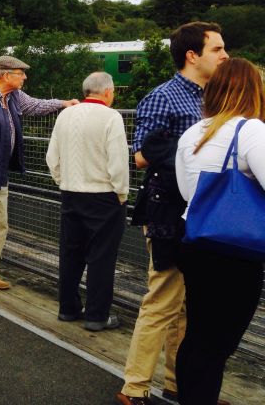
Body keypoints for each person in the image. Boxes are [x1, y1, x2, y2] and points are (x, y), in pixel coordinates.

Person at [116, 22, 228, 405]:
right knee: (162, 299)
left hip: (202, 211)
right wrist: (196, 148)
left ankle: (179, 385)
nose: (225, 56)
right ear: (192, 55)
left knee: (185, 306)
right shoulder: (164, 96)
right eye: (218, 49)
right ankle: (134, 387)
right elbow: (141, 155)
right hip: (168, 210)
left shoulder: (214, 97)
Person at [174, 58, 264, 405]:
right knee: (218, 344)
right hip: (236, 251)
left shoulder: (193, 132)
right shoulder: (251, 130)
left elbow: (187, 192)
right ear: (254, 90)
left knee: (198, 335)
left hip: (197, 242)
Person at [0, 55, 78, 294]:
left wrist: (63, 103)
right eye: (20, 73)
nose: (24, 77)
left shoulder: (13, 96)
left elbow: (35, 105)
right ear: (5, 75)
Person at [46, 72, 129, 331]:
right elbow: (118, 162)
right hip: (104, 196)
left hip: (71, 192)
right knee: (101, 257)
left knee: (70, 253)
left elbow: (52, 157)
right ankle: (96, 316)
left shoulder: (65, 115)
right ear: (107, 91)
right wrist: (121, 193)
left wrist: (63, 180)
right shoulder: (112, 117)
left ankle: (67, 309)